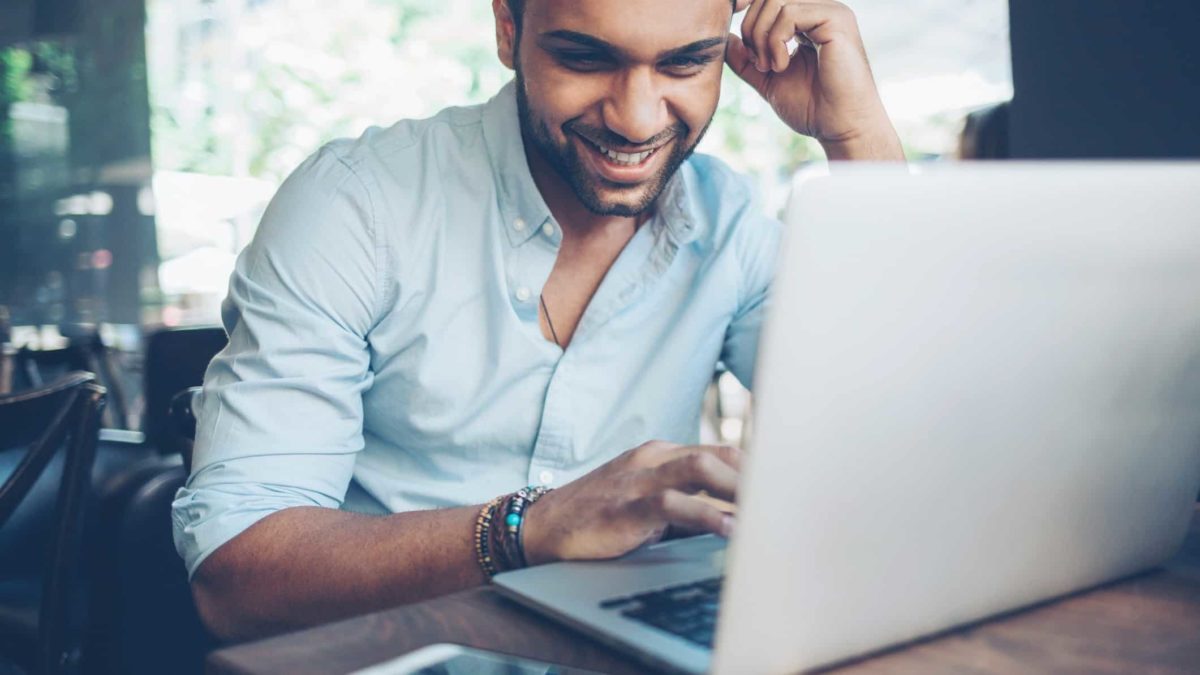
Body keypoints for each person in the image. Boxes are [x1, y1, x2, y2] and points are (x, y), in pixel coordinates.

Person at [172, 0, 904, 641]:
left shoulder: (730, 228)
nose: (637, 116)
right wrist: (528, 528)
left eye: (686, 64)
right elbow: (235, 577)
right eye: (586, 58)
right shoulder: (355, 207)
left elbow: (898, 436)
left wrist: (857, 135)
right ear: (507, 26)